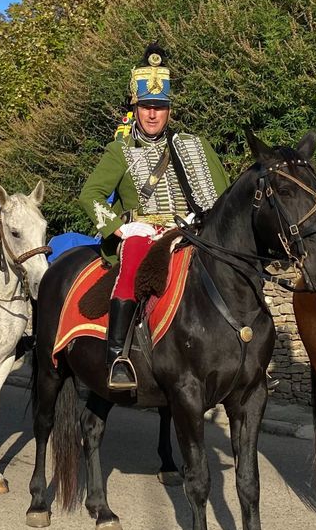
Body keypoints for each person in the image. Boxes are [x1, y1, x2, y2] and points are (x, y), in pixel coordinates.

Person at [78, 43, 230, 390]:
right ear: (135, 108)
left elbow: (222, 196)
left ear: (169, 111)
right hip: (142, 232)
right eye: (146, 106)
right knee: (131, 265)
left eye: (159, 108)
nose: (152, 114)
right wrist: (119, 228)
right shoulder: (120, 150)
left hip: (189, 230)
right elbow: (90, 194)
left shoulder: (196, 145)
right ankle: (117, 357)